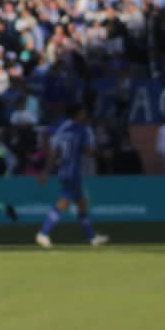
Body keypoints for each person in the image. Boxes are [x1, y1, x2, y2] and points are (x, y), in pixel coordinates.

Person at [35, 102, 109, 248]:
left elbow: (53, 152)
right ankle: (43, 233)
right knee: (64, 201)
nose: (85, 114)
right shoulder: (81, 130)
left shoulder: (62, 128)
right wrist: (102, 154)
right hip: (73, 172)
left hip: (64, 170)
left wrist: (47, 171)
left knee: (82, 202)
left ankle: (92, 237)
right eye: (83, 112)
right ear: (77, 114)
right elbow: (88, 151)